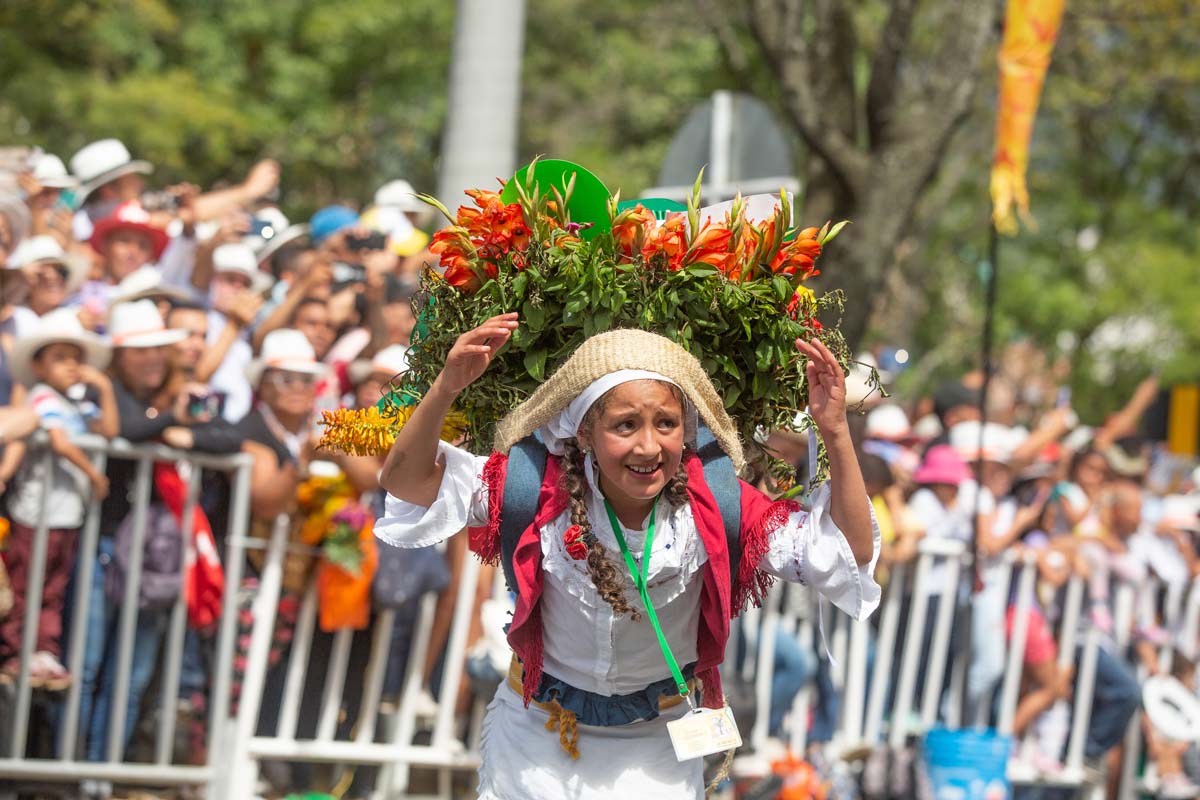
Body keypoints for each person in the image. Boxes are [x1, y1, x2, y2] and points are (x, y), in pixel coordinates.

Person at [374, 321, 880, 799]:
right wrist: (446, 387)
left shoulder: (720, 505)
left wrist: (834, 430)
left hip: (657, 753)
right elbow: (407, 481)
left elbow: (847, 553)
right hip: (534, 744)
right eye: (625, 425)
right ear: (585, 434)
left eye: (666, 423)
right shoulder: (534, 489)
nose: (648, 446)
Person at [0, 309, 117, 688]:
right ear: (38, 365)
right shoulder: (41, 396)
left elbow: (110, 430)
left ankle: (43, 651)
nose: (70, 366)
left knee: (52, 587)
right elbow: (61, 442)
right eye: (59, 357)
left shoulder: (78, 402)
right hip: (36, 513)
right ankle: (17, 651)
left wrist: (105, 388)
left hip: (66, 516)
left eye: (75, 358)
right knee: (25, 585)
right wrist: (94, 474)